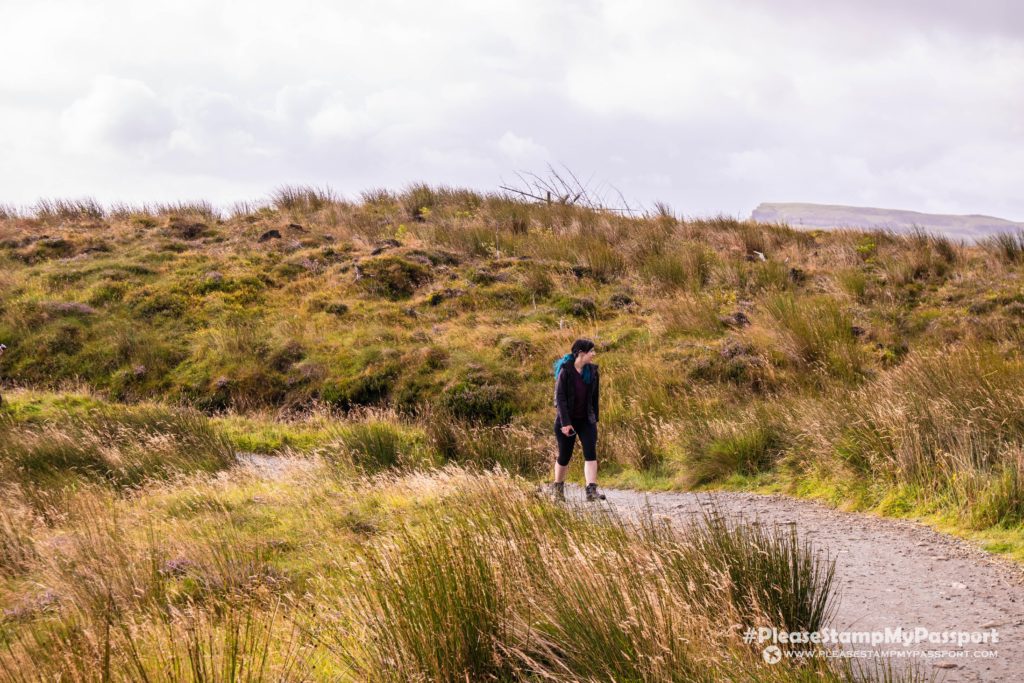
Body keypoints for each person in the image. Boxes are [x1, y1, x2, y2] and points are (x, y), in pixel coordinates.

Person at [551, 338, 605, 502]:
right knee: (564, 456)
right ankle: (558, 489)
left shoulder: (593, 372)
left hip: (586, 420)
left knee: (591, 453)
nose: (594, 354)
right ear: (581, 353)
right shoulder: (565, 371)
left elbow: (594, 397)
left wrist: (594, 418)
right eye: (591, 351)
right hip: (566, 421)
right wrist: (566, 423)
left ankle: (591, 490)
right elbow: (560, 398)